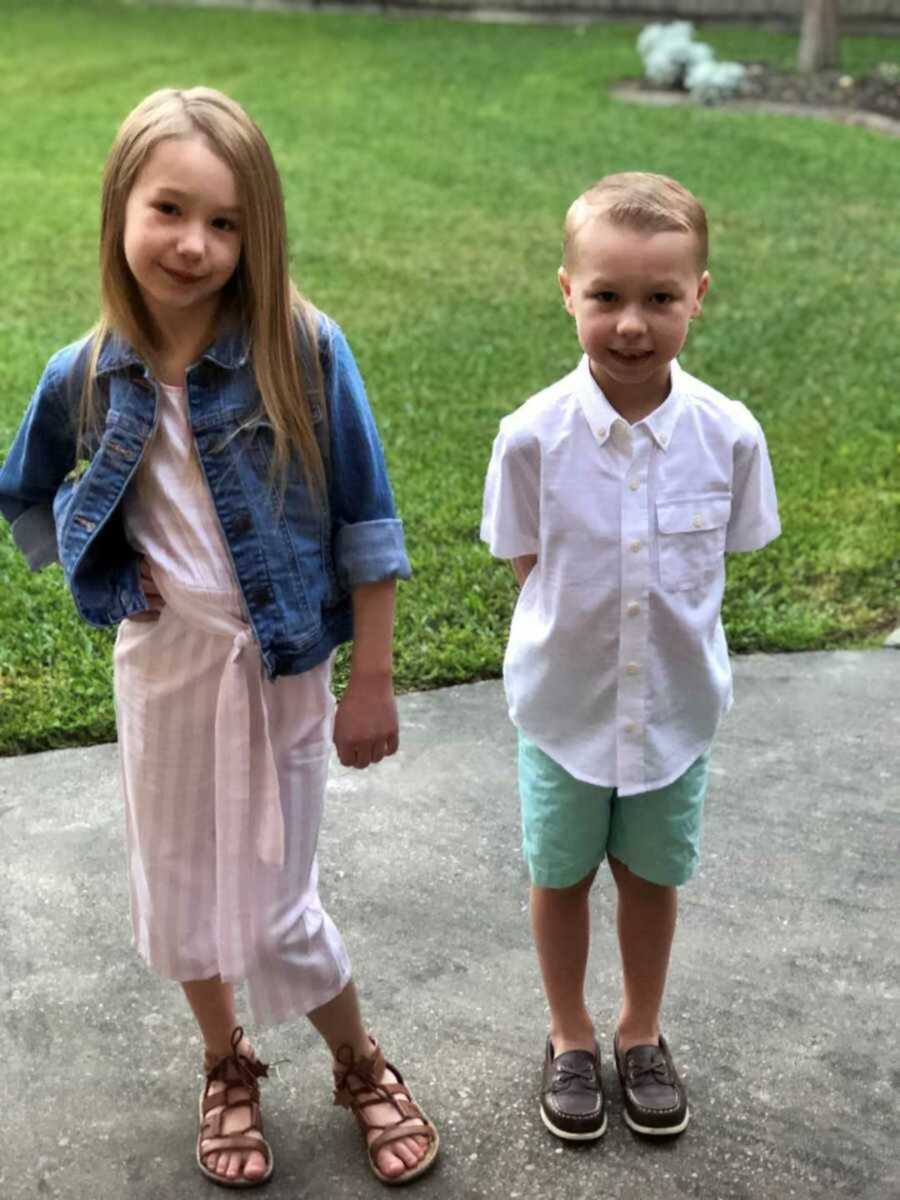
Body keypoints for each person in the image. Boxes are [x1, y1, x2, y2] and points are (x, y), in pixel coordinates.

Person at [0, 86, 439, 1188]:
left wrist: (370, 680)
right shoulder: (85, 372)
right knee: (181, 879)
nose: (195, 245)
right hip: (163, 674)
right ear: (120, 209)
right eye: (170, 210)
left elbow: (368, 524)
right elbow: (23, 495)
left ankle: (357, 1059)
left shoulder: (303, 349)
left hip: (283, 672)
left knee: (280, 901)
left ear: (258, 232)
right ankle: (224, 1061)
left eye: (226, 222)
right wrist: (99, 566)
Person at [481, 172, 780, 1142]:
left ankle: (639, 1031)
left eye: (660, 297)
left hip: (675, 716)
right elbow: (530, 562)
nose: (632, 323)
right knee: (560, 876)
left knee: (653, 880)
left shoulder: (728, 436)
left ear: (701, 294)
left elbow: (723, 555)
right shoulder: (531, 438)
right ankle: (570, 1036)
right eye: (606, 296)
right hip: (566, 711)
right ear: (567, 290)